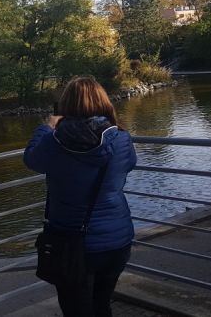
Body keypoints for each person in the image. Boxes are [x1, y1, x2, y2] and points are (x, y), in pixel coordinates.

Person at [23, 76, 136, 317]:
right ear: (103, 103)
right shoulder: (122, 139)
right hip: (117, 241)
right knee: (102, 304)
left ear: (67, 106)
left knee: (76, 310)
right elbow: (129, 165)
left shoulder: (54, 142)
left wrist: (47, 127)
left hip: (73, 245)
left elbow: (31, 159)